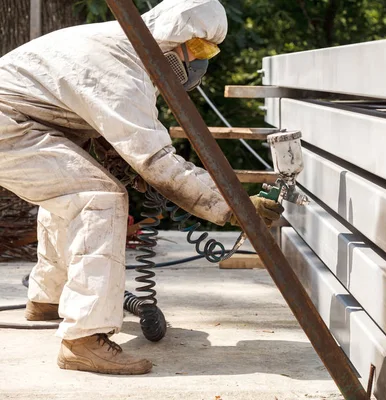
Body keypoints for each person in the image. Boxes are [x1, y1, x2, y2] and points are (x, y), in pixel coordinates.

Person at [0, 0, 283, 375]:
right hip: (11, 124)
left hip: (20, 120)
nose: (201, 61)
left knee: (70, 192)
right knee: (97, 197)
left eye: (209, 51)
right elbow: (157, 162)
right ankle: (83, 338)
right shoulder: (121, 67)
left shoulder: (120, 49)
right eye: (198, 48)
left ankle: (49, 297)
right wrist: (233, 207)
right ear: (171, 38)